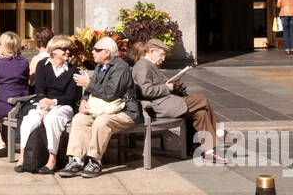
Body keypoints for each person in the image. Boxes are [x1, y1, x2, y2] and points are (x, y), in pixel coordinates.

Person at [61, 36, 141, 179]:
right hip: (104, 109)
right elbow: (92, 91)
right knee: (79, 119)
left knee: (102, 122)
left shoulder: (121, 67)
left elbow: (111, 93)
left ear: (107, 53)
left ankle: (95, 160)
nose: (93, 52)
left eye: (97, 50)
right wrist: (84, 101)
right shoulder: (100, 66)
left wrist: (88, 83)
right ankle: (77, 160)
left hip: (125, 111)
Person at [132, 38, 223, 161]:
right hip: (159, 106)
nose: (163, 58)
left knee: (200, 113)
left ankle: (209, 151)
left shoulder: (149, 65)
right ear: (151, 51)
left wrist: (172, 85)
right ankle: (221, 132)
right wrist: (167, 87)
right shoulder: (143, 66)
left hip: (165, 102)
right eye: (162, 54)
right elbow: (146, 91)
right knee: (202, 100)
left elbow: (153, 86)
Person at [15, 35, 77, 174]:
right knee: (29, 119)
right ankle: (22, 157)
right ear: (54, 50)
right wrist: (45, 107)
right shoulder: (42, 66)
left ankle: (52, 160)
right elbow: (40, 90)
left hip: (63, 106)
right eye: (64, 49)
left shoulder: (72, 69)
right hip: (43, 103)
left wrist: (53, 102)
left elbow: (71, 97)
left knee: (51, 119)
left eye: (68, 49)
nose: (67, 52)